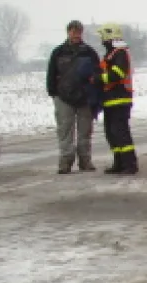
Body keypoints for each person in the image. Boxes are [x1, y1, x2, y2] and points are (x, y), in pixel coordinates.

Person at [45, 20, 101, 174]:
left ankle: (85, 161)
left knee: (85, 131)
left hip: (84, 98)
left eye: (78, 31)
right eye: (73, 31)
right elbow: (51, 74)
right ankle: (65, 162)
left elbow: (98, 73)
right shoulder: (58, 52)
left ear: (82, 33)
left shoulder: (89, 52)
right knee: (65, 131)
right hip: (63, 98)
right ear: (68, 32)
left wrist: (95, 91)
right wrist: (53, 92)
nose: (76, 34)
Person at [97, 23, 138, 175]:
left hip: (120, 99)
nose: (101, 39)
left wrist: (99, 78)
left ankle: (130, 164)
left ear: (109, 35)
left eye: (103, 36)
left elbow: (118, 74)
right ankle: (119, 163)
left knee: (121, 132)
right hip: (110, 100)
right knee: (111, 133)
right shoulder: (111, 53)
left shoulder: (119, 53)